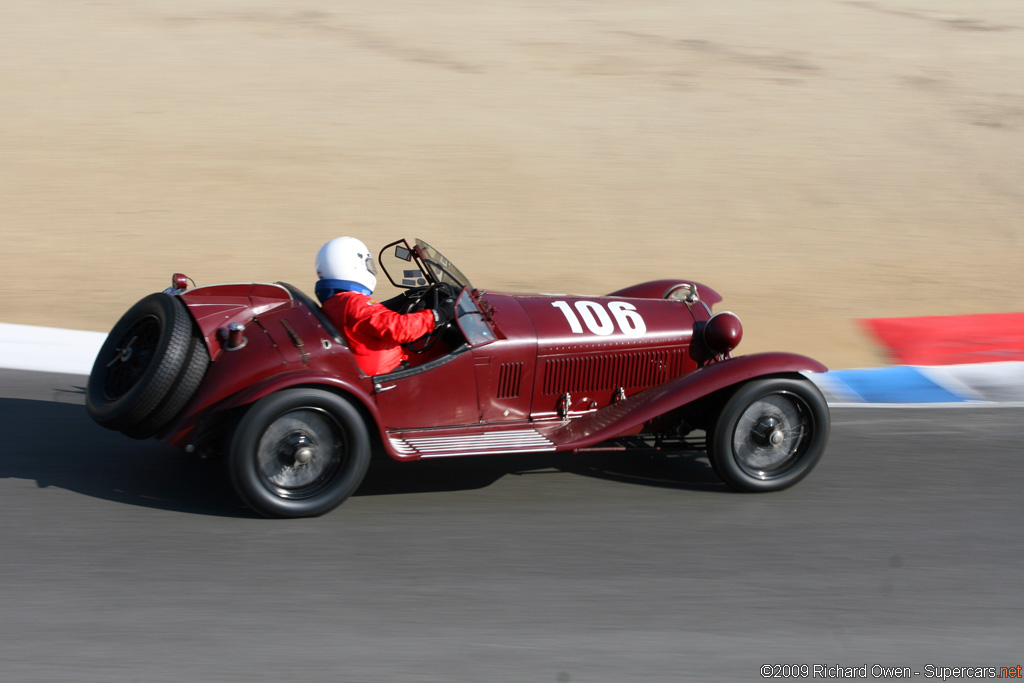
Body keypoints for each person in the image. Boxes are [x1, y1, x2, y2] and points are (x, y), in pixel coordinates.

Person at [314, 237, 454, 376]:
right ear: (352, 265)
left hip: (387, 362)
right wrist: (439, 314)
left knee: (441, 345)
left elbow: (376, 318)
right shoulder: (353, 303)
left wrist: (405, 300)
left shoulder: (336, 302)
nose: (370, 269)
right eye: (367, 264)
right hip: (391, 373)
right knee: (456, 355)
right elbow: (400, 328)